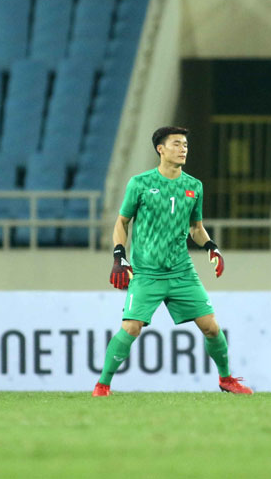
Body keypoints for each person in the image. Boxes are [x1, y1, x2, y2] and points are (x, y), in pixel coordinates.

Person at [93, 127, 253, 396]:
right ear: (161, 149)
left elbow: (196, 228)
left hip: (181, 272)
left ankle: (226, 380)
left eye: (186, 144)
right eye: (177, 144)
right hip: (146, 272)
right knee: (131, 328)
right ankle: (103, 384)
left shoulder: (194, 186)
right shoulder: (140, 183)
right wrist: (119, 255)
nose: (183, 149)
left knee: (211, 328)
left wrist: (212, 247)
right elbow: (122, 222)